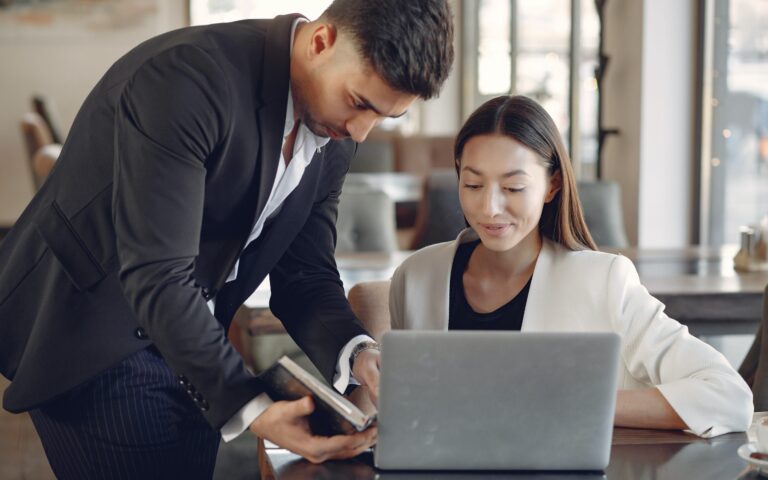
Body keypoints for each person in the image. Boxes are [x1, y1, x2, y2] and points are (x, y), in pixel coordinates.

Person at [0, 1, 454, 477]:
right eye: (361, 103)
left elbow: (305, 275)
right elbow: (158, 274)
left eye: (384, 116)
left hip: (191, 333)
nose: (361, 131)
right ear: (321, 43)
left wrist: (362, 355)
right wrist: (252, 405)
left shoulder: (336, 132)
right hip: (93, 326)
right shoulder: (188, 79)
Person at [388, 95, 753, 437]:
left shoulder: (604, 280)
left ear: (552, 185)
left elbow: (728, 396)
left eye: (513, 188)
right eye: (472, 184)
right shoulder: (416, 277)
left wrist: (579, 403)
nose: (489, 208)